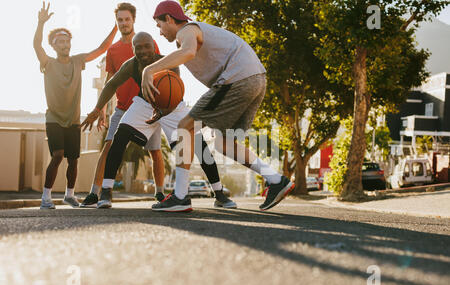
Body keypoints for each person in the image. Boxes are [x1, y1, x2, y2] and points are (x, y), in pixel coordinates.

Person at [143, 1, 295, 212]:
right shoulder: (193, 33)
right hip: (256, 80)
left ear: (169, 18)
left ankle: (180, 196)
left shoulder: (186, 30)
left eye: (159, 25)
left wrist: (148, 70)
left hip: (236, 79)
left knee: (185, 126)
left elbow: (187, 52)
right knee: (224, 144)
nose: (159, 32)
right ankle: (276, 180)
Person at [81, 32, 237, 210]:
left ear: (154, 46)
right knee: (120, 135)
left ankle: (219, 194)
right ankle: (106, 191)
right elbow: (111, 85)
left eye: (147, 46)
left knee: (198, 142)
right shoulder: (131, 65)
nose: (143, 50)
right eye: (138, 47)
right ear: (133, 50)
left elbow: (175, 92)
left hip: (172, 105)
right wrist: (97, 108)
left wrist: (163, 111)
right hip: (145, 102)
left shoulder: (168, 62)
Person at [80, 2, 167, 207]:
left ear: (133, 20)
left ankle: (160, 193)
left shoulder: (147, 42)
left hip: (148, 106)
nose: (124, 23)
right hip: (122, 107)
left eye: (127, 19)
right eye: (120, 19)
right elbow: (109, 81)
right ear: (116, 22)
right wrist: (101, 108)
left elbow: (160, 70)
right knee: (109, 147)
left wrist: (161, 105)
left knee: (155, 151)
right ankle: (96, 192)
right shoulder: (113, 50)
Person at [33, 2, 118, 209]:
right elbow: (37, 45)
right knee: (57, 155)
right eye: (60, 42)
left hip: (73, 120)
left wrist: (116, 26)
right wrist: (41, 23)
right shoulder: (48, 63)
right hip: (54, 118)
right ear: (53, 45)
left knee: (73, 159)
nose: (65, 44)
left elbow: (101, 49)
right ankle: (46, 197)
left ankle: (69, 195)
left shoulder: (78, 61)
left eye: (67, 41)